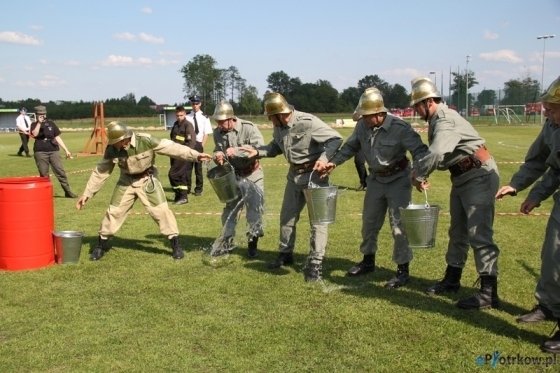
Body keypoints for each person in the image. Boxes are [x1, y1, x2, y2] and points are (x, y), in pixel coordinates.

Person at [409, 77, 501, 310]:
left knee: (479, 234)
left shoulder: (445, 119)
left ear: (428, 102)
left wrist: (418, 174)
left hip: (477, 174)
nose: (415, 110)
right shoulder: (438, 118)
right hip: (462, 176)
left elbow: (438, 151)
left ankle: (489, 292)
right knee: (457, 231)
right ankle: (452, 279)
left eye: (417, 105)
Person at [324, 88, 428, 288]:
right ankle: (368, 261)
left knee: (399, 226)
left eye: (367, 116)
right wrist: (333, 163)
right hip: (375, 180)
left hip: (398, 179)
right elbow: (349, 147)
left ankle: (402, 271)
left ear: (380, 114)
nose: (362, 119)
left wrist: (419, 174)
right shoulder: (362, 126)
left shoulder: (400, 128)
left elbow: (420, 151)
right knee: (369, 223)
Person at [241, 92, 343, 282]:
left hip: (314, 177)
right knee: (286, 217)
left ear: (279, 114)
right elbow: (275, 148)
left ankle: (315, 263)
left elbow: (335, 139)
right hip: (293, 177)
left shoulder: (308, 121)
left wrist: (323, 160)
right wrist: (256, 152)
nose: (269, 120)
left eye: (270, 116)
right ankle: (285, 253)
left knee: (318, 223)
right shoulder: (280, 127)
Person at [75, 121, 212, 261]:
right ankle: (100, 246)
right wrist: (87, 193)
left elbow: (171, 147)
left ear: (124, 139)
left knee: (162, 211)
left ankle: (176, 246)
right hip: (126, 181)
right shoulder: (112, 149)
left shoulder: (145, 140)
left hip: (147, 180)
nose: (114, 145)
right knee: (114, 212)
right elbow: (101, 172)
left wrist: (196, 155)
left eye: (116, 142)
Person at [495, 76, 560, 353]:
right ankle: (549, 306)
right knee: (552, 254)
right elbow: (543, 163)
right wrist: (524, 189)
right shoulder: (551, 126)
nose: (546, 111)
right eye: (547, 105)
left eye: (553, 107)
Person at [210, 101, 266, 258]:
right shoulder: (217, 133)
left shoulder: (248, 127)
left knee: (254, 210)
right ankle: (227, 243)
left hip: (252, 174)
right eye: (217, 122)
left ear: (231, 118)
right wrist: (217, 156)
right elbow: (218, 149)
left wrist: (237, 151)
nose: (219, 125)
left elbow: (259, 149)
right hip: (233, 176)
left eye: (221, 122)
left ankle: (252, 244)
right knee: (229, 211)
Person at [30, 105, 77, 198]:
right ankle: (45, 193)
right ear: (36, 115)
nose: (42, 116)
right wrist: (39, 123)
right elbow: (34, 134)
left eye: (43, 114)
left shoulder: (51, 123)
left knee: (60, 172)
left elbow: (57, 137)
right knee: (44, 174)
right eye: (40, 114)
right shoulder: (34, 125)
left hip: (53, 150)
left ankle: (68, 191)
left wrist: (66, 150)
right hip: (40, 152)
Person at [185, 95, 213, 196]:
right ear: (191, 104)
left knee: (198, 169)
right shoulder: (187, 116)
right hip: (188, 145)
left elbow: (206, 133)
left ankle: (198, 189)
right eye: (193, 103)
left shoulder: (205, 117)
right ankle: (187, 189)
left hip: (199, 144)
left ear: (200, 104)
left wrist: (201, 145)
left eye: (197, 103)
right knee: (187, 169)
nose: (195, 105)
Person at [168, 106, 196, 205]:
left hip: (182, 154)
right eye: (177, 115)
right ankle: (181, 196)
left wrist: (185, 153)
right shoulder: (175, 124)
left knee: (172, 175)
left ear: (184, 114)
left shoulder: (188, 125)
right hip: (174, 154)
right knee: (181, 176)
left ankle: (181, 195)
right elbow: (172, 138)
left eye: (181, 115)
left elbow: (191, 142)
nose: (179, 117)